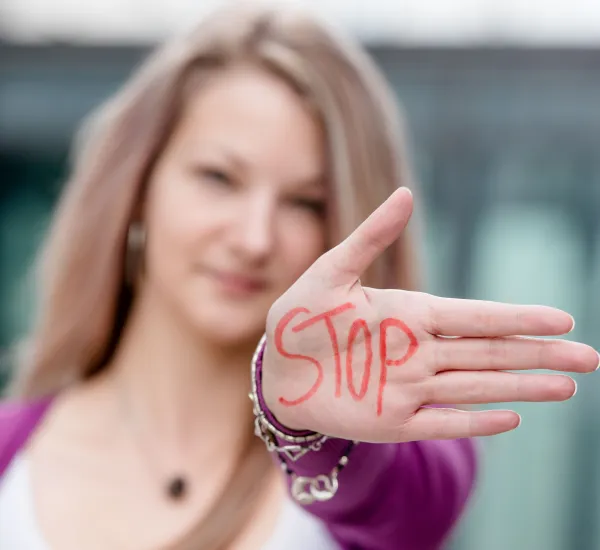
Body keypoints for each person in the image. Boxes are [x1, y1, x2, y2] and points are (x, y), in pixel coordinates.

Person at [0, 4, 598, 550]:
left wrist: (304, 432)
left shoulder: (370, 454)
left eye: (306, 204)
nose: (254, 238)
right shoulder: (12, 457)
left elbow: (415, 507)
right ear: (136, 189)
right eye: (219, 178)